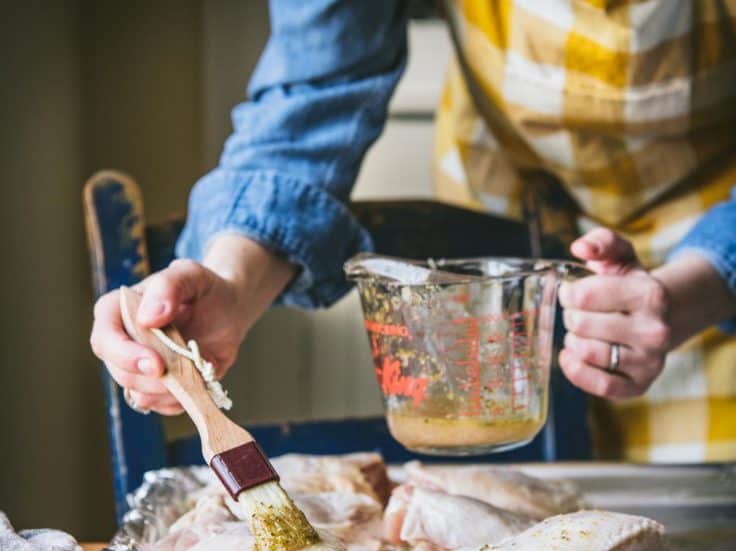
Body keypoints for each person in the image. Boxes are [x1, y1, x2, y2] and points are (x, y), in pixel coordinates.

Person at [90, 1, 736, 461]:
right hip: (494, 248)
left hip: (710, 262)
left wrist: (699, 283)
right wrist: (234, 277)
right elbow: (318, 86)